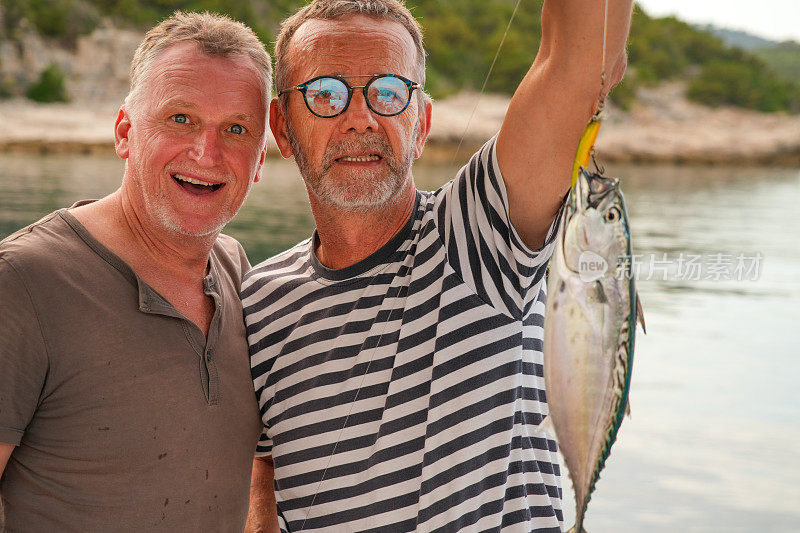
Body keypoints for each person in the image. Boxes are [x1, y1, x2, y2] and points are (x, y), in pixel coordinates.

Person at [242, 0, 632, 530]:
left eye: (388, 92)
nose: (360, 119)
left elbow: (579, 62)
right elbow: (260, 463)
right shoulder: (257, 300)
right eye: (326, 94)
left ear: (421, 123)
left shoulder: (478, 239)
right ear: (282, 129)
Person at [0, 12, 271, 531]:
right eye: (180, 119)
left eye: (236, 129)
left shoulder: (238, 272)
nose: (205, 152)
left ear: (260, 159)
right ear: (125, 132)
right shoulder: (24, 282)